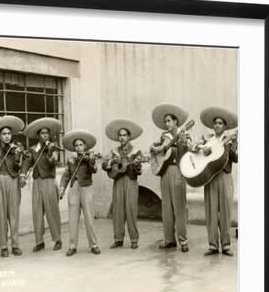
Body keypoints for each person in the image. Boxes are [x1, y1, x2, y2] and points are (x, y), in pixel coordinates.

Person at [194, 106, 238, 257]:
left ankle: (226, 245)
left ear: (225, 126)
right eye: (216, 123)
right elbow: (194, 148)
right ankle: (212, 245)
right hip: (210, 177)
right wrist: (202, 147)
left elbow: (236, 159)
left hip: (225, 176)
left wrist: (232, 145)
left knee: (225, 210)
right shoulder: (208, 139)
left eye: (220, 123)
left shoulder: (230, 140)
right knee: (211, 211)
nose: (217, 125)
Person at [150, 103, 193, 253]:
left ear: (176, 121)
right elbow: (155, 151)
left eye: (169, 121)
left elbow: (190, 151)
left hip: (177, 170)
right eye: (165, 121)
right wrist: (156, 149)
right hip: (164, 172)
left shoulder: (184, 134)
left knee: (179, 208)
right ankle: (169, 239)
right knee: (166, 207)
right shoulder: (163, 136)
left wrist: (183, 141)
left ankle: (183, 240)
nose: (167, 124)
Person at [0, 115, 26, 257]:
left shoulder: (18, 148)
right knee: (0, 215)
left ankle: (15, 245)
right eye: (4, 134)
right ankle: (3, 246)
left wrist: (17, 156)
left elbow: (18, 167)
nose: (7, 137)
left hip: (13, 181)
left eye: (9, 134)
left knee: (13, 214)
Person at [21, 117, 63, 252]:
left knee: (52, 211)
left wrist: (50, 152)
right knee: (37, 212)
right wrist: (23, 174)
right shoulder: (33, 149)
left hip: (49, 182)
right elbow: (27, 162)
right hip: (37, 182)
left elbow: (53, 163)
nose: (45, 135)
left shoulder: (53, 147)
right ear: (38, 135)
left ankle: (57, 239)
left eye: (47, 133)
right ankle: (39, 241)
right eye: (42, 133)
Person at [102, 119, 144, 250]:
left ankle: (134, 239)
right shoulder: (114, 151)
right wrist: (111, 163)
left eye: (124, 135)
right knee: (118, 210)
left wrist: (137, 164)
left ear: (129, 136)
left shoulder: (136, 151)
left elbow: (139, 170)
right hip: (118, 182)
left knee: (131, 210)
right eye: (120, 135)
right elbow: (104, 165)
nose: (122, 137)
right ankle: (118, 239)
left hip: (131, 182)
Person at [59, 129, 101, 257]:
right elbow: (66, 174)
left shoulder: (89, 157)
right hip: (74, 187)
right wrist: (62, 188)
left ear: (85, 146)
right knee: (72, 218)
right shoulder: (71, 159)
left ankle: (94, 245)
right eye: (76, 145)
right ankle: (72, 245)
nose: (78, 147)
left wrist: (91, 161)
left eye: (81, 145)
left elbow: (94, 170)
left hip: (86, 187)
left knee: (89, 217)